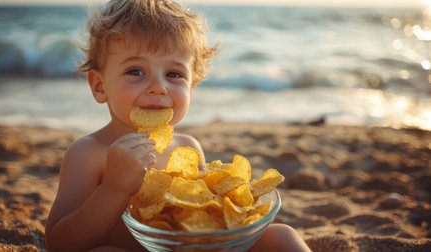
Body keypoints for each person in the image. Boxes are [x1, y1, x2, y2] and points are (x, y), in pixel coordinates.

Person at [44, 0, 311, 251]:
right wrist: (114, 189)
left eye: (174, 74)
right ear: (100, 86)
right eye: (136, 71)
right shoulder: (88, 153)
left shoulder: (188, 147)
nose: (158, 87)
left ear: (191, 88)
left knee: (281, 235)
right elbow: (59, 243)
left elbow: (205, 215)